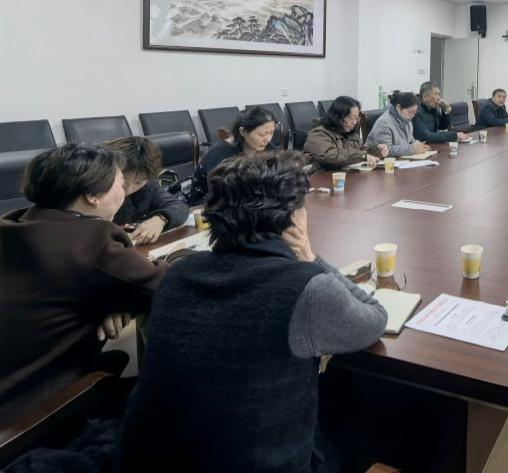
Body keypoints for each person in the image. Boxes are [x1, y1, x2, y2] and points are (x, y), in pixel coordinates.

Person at [115, 152, 388, 473]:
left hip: (150, 460)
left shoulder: (178, 274)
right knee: (358, 396)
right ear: (294, 220)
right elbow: (375, 319)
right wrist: (309, 256)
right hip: (259, 463)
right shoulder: (306, 287)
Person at [0, 144, 169, 404]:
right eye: (120, 183)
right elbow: (167, 287)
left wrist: (121, 296)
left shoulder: (15, 223)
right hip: (38, 407)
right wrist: (126, 295)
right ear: (92, 195)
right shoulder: (91, 240)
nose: (125, 191)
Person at [105, 136, 190, 246]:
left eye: (138, 182)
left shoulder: (147, 186)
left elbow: (179, 206)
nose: (128, 189)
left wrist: (161, 218)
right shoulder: (96, 187)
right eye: (124, 180)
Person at [188, 105, 276, 203]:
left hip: (250, 200)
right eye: (263, 134)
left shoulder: (266, 146)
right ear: (243, 131)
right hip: (208, 204)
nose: (268, 139)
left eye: (271, 133)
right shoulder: (221, 153)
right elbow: (221, 193)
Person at [305, 96, 387, 170]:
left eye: (356, 118)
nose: (354, 122)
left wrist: (376, 151)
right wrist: (363, 155)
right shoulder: (318, 133)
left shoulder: (350, 133)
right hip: (320, 177)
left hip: (345, 175)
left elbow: (362, 150)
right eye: (351, 118)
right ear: (337, 116)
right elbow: (328, 156)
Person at [365, 91, 430, 157]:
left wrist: (417, 144)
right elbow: (386, 150)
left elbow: (410, 140)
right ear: (398, 107)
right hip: (378, 161)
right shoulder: (384, 122)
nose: (412, 115)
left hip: (400, 159)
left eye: (414, 112)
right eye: (410, 112)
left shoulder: (406, 120)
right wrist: (413, 149)